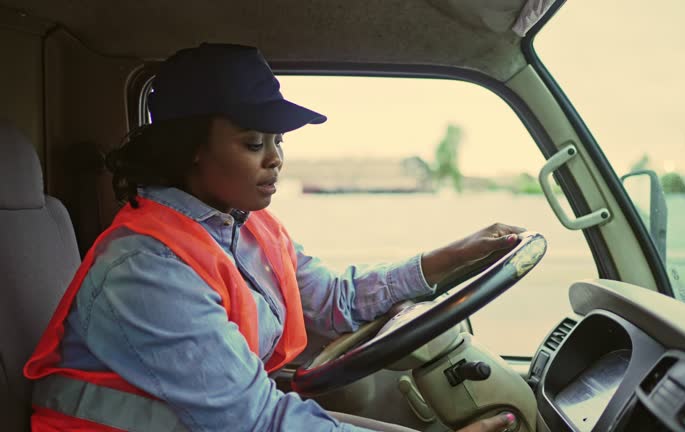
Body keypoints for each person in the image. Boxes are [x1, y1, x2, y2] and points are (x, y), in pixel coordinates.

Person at [24, 43, 524, 432]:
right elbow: (255, 422)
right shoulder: (145, 266)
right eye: (253, 142)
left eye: (278, 141)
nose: (276, 158)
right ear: (191, 149)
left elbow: (335, 300)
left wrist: (454, 255)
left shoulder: (247, 225)